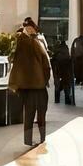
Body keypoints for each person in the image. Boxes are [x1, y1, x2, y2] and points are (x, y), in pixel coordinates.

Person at [9, 18, 51, 146]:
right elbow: (46, 63)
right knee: (41, 113)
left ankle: (27, 140)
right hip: (38, 85)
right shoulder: (36, 42)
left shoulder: (16, 42)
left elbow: (10, 58)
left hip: (24, 85)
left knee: (28, 114)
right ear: (31, 28)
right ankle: (43, 138)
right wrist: (46, 79)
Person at [50, 41, 75, 106]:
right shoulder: (66, 51)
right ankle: (67, 99)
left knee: (57, 84)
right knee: (66, 84)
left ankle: (57, 99)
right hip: (66, 70)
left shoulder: (57, 52)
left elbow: (52, 61)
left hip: (57, 70)